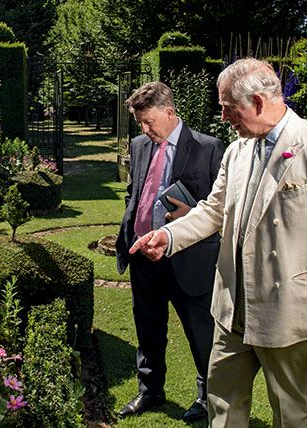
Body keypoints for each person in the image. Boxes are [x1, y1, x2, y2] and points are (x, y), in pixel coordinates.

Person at [129, 58, 307, 427]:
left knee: (291, 414)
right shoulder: (238, 150)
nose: (223, 117)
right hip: (231, 309)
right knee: (221, 406)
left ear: (256, 101)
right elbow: (213, 210)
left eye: (227, 108)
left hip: (288, 313)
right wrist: (170, 235)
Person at [115, 81, 225, 421]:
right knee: (148, 329)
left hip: (188, 259)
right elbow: (137, 191)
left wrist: (190, 216)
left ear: (170, 112)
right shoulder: (139, 144)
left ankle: (208, 399)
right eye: (141, 124)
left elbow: (222, 207)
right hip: (142, 256)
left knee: (200, 332)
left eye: (149, 122)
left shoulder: (209, 147)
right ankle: (150, 392)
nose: (145, 131)